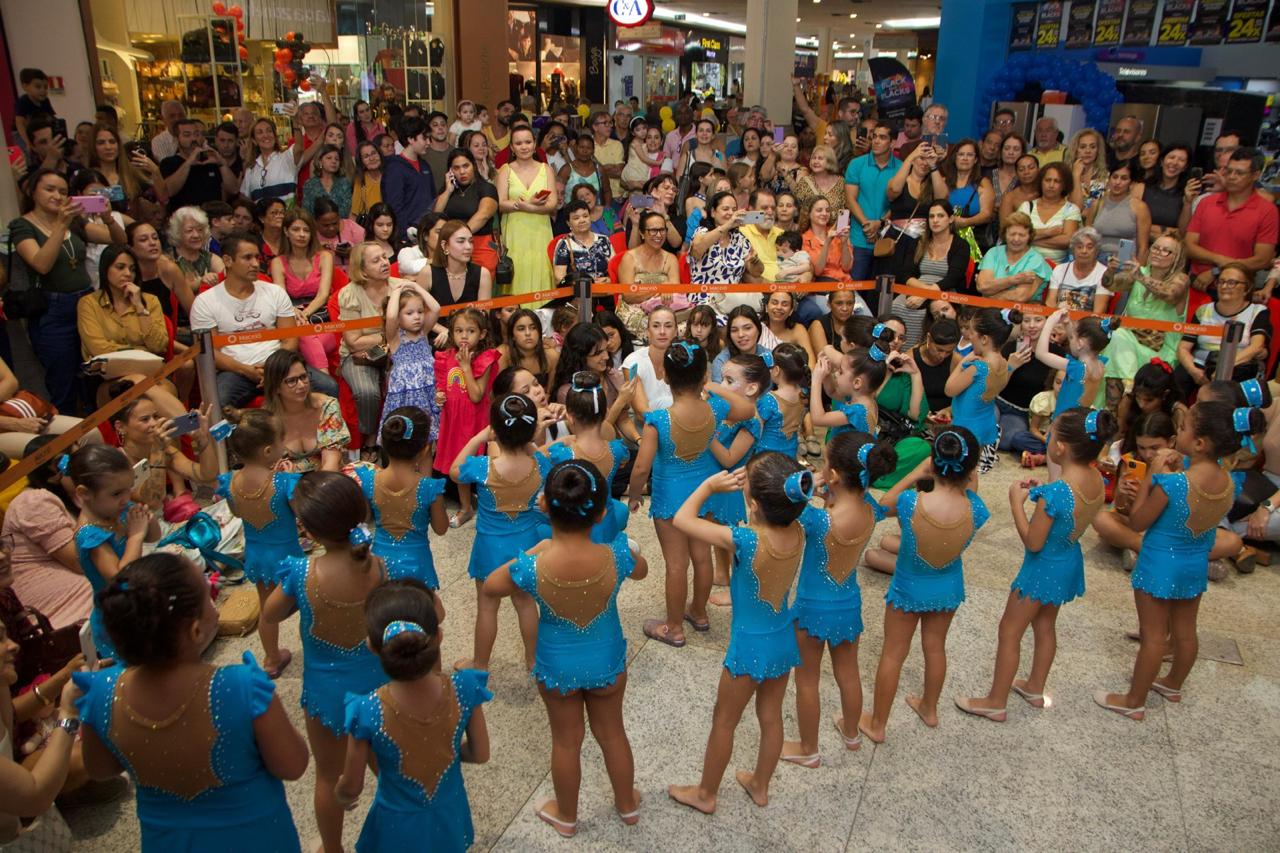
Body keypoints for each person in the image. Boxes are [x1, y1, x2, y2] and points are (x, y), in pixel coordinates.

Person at [484, 461, 644, 837]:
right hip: (607, 661)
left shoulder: (533, 565)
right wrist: (627, 548)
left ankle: (567, 816)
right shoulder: (616, 555)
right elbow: (642, 571)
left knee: (566, 742)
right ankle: (627, 804)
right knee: (613, 734)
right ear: (601, 513)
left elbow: (491, 585)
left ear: (545, 506)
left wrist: (536, 551)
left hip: (557, 666)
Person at [667, 453, 813, 812]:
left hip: (748, 647)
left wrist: (708, 486)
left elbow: (682, 519)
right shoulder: (798, 530)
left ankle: (706, 794)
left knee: (724, 720)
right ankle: (760, 785)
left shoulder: (745, 540)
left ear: (755, 504)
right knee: (771, 716)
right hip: (783, 637)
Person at [1095, 400, 1260, 719]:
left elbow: (1138, 522)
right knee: (1185, 631)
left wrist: (1152, 476)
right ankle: (1173, 684)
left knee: (1153, 637)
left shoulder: (1173, 483)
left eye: (1183, 428)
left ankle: (1134, 701)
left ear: (1199, 443)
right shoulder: (1228, 482)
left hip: (1159, 564)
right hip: (1194, 563)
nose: (1178, 431)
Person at [957, 408, 1113, 722]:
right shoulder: (1096, 479)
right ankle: (1035, 686)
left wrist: (1016, 504)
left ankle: (995, 701)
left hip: (1042, 568)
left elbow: (1033, 541)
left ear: (1061, 448)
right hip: (1067, 560)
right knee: (1045, 626)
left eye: (1051, 433)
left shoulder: (1055, 493)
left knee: (1009, 630)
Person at [264, 472, 388, 853]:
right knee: (389, 771)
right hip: (379, 686)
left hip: (325, 694)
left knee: (328, 776)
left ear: (308, 529)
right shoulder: (378, 565)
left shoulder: (303, 574)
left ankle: (332, 847)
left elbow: (270, 613)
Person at [336, 579, 490, 851]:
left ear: (372, 646)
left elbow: (352, 785)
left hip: (395, 825)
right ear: (438, 636)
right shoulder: (466, 688)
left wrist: (342, 794)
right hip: (449, 813)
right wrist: (444, 752)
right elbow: (480, 753)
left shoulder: (366, 710)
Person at [859, 429, 988, 743]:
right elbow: (970, 487)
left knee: (893, 653)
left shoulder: (910, 503)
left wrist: (917, 472)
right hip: (947, 587)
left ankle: (878, 724)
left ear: (933, 462)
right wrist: (967, 473)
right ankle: (930, 708)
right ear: (971, 469)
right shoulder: (977, 509)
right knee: (935, 647)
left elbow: (882, 504)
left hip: (909, 588)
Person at [629, 342, 752, 648]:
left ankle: (673, 627)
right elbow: (748, 409)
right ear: (703, 376)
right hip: (704, 491)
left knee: (676, 564)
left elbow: (642, 467)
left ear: (665, 376)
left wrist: (634, 495)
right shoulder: (715, 408)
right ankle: (698, 612)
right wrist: (712, 386)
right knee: (701, 556)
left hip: (670, 497)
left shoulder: (658, 421)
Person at [782, 433, 895, 766]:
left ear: (832, 474)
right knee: (848, 673)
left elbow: (783, 498)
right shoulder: (871, 509)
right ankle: (851, 734)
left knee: (807, 680)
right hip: (848, 605)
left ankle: (808, 749)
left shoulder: (818, 520)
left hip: (811, 608)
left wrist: (808, 484)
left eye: (825, 463)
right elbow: (854, 502)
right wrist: (828, 491)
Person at [10, 169, 124, 414]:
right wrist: (60, 225)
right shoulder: (22, 225)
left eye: (63, 192)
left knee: (95, 374)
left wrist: (108, 218)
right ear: (32, 192)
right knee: (63, 380)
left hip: (87, 302)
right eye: (49, 189)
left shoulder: (75, 221)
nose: (57, 196)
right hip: (53, 311)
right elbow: (41, 264)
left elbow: (119, 240)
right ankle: (69, 431)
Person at [449, 394, 548, 671]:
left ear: (495, 430)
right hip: (527, 544)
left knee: (487, 605)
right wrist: (530, 441)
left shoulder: (483, 467)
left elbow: (455, 471)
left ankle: (480, 664)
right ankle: (533, 659)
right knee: (525, 603)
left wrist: (478, 438)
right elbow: (542, 455)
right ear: (530, 430)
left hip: (489, 548)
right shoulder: (540, 465)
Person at [189, 234, 333, 407]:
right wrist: (246, 370)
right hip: (235, 370)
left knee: (329, 387)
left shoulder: (274, 292)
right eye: (247, 258)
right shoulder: (205, 301)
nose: (256, 264)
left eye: (257, 257)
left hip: (279, 366)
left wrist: (271, 368)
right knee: (216, 403)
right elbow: (210, 353)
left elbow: (290, 340)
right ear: (227, 260)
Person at [216, 408, 301, 679]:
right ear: (267, 451)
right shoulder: (284, 483)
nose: (284, 445)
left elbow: (236, 512)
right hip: (288, 556)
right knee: (306, 602)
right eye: (281, 440)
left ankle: (272, 659)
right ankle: (316, 647)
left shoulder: (230, 483)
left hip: (257, 554)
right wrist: (291, 479)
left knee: (267, 610)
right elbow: (300, 513)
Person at [66, 445, 160, 664]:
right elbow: (119, 578)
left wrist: (148, 519)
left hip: (137, 600)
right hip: (118, 616)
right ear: (84, 493)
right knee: (138, 668)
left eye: (129, 488)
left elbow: (154, 536)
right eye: (117, 493)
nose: (126, 498)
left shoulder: (116, 509)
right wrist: (135, 536)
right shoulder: (90, 536)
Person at [1, 436, 94, 628]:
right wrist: (91, 503)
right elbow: (81, 562)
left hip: (79, 589)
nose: (88, 464)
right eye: (78, 459)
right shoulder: (34, 501)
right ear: (57, 469)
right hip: (57, 606)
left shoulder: (74, 495)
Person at [1101, 234, 1191, 404]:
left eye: (1166, 251)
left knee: (1118, 340)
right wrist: (1111, 270)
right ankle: (1126, 392)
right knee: (1118, 337)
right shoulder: (1139, 271)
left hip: (1161, 349)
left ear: (1176, 257)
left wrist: (1140, 277)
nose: (1158, 252)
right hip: (1129, 340)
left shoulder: (1181, 279)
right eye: (1156, 248)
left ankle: (1127, 392)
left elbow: (1170, 295)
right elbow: (1109, 284)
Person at [434, 308, 501, 525]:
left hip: (474, 421)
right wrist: (439, 396)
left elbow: (476, 395)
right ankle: (466, 507)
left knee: (477, 463)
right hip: (453, 420)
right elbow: (442, 386)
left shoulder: (485, 358)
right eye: (459, 330)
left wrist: (465, 367)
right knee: (459, 463)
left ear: (482, 334)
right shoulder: (446, 356)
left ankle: (490, 503)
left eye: (470, 331)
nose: (464, 336)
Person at [1034, 309, 1114, 480]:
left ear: (1081, 343)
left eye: (1073, 337)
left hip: (1064, 426)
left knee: (1055, 477)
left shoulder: (1077, 368)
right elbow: (1077, 345)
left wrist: (1050, 322)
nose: (1070, 339)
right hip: (1079, 425)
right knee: (1070, 474)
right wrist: (1067, 324)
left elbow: (1041, 354)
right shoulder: (1100, 365)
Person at [1184, 148, 1278, 293]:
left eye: (1239, 173)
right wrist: (1220, 260)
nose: (1232, 177)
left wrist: (1216, 271)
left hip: (1237, 291)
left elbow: (1262, 260)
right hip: (1197, 284)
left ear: (1255, 175)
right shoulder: (1207, 202)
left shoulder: (1267, 211)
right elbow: (1189, 247)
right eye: (1229, 171)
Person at [1175, 262, 1270, 396]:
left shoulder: (1257, 311)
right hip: (1201, 364)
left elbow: (1257, 347)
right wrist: (1193, 370)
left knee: (1227, 386)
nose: (1224, 286)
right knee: (1177, 379)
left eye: (1232, 283)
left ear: (1247, 288)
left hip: (1237, 366)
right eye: (1221, 282)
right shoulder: (1203, 310)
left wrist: (1223, 368)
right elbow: (1183, 348)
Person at [947, 309, 1018, 473]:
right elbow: (1000, 385)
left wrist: (962, 362)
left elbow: (949, 389)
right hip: (985, 422)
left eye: (972, 332)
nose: (969, 336)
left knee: (958, 471)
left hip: (966, 426)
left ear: (984, 339)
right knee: (970, 469)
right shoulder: (1003, 362)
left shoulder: (979, 367)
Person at [892, 201, 971, 348]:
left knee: (925, 312)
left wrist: (925, 295)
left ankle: (919, 350)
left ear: (950, 219)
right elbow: (906, 275)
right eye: (931, 216)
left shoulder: (961, 245)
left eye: (940, 216)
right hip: (918, 286)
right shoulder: (919, 242)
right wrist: (924, 291)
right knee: (897, 305)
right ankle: (899, 349)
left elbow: (954, 278)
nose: (935, 220)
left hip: (945, 289)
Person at [270, 209, 335, 374]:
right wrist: (294, 313)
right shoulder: (278, 262)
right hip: (292, 313)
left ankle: (323, 382)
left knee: (304, 334)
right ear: (286, 231)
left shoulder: (325, 257)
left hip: (322, 315)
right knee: (304, 334)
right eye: (296, 229)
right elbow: (281, 298)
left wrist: (304, 315)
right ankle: (325, 380)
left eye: (306, 230)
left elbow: (323, 295)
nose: (302, 235)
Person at [497, 126, 557, 296]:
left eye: (528, 142)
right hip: (514, 232)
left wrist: (526, 206)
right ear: (512, 147)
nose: (524, 147)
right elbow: (500, 204)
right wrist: (523, 205)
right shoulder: (505, 170)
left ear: (535, 144)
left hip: (541, 231)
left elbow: (552, 205)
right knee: (517, 274)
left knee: (541, 273)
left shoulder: (546, 169)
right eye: (518, 143)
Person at [380, 280, 443, 440]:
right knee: (407, 438)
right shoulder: (395, 338)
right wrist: (396, 291)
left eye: (420, 312)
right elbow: (391, 316)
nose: (417, 317)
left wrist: (415, 286)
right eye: (409, 313)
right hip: (406, 398)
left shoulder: (423, 333)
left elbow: (436, 308)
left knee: (428, 437)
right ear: (399, 317)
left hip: (428, 394)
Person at [844, 122, 902, 297]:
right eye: (874, 136)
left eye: (882, 137)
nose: (876, 141)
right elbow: (850, 199)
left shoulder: (901, 168)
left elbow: (900, 203)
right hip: (859, 237)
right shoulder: (857, 164)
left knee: (882, 294)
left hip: (887, 238)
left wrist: (880, 223)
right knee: (854, 291)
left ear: (893, 143)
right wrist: (867, 224)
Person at [616, 211, 684, 338]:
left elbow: (676, 290)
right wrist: (659, 289)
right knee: (653, 327)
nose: (658, 235)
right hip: (635, 310)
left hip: (665, 309)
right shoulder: (630, 258)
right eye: (653, 230)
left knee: (684, 327)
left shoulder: (670, 258)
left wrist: (664, 290)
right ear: (642, 233)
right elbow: (628, 295)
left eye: (662, 230)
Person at [434, 148, 500, 275]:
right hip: (453, 249)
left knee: (480, 284)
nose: (462, 172)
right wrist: (448, 191)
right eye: (456, 168)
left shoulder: (486, 188)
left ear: (473, 166)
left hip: (480, 246)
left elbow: (483, 215)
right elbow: (436, 216)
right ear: (450, 171)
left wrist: (458, 237)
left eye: (466, 166)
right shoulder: (447, 191)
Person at [160, 119, 237, 210]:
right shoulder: (168, 163)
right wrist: (188, 163)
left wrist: (222, 164)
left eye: (196, 134)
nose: (193, 139)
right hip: (185, 217)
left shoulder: (211, 161)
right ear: (176, 139)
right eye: (187, 135)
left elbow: (234, 189)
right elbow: (169, 191)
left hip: (213, 216)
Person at [89, 123, 167, 212]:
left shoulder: (132, 174)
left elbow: (163, 199)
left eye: (112, 142)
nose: (108, 147)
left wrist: (156, 171)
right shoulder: (87, 176)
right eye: (101, 143)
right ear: (93, 146)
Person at [381, 115, 436, 241]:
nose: (428, 142)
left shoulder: (425, 165)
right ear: (411, 139)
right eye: (424, 138)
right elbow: (394, 206)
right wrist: (404, 235)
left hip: (426, 232)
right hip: (406, 236)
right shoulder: (395, 168)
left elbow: (433, 199)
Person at [976, 212, 1052, 302]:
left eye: (1022, 235)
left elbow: (1019, 297)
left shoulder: (1036, 260)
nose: (1016, 239)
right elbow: (983, 286)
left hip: (1023, 309)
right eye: (1012, 234)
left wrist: (989, 294)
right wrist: (1014, 280)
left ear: (1029, 236)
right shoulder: (993, 253)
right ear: (1005, 235)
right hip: (988, 308)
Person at [1085, 161, 1150, 264]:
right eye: (1115, 177)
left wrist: (1139, 270)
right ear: (1109, 178)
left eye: (1124, 178)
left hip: (1124, 262)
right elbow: (1086, 237)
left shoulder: (1139, 207)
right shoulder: (1097, 204)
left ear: (1131, 183)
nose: (1118, 182)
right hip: (1096, 260)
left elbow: (1143, 247)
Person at [1018, 162, 1081, 264]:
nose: (1051, 185)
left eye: (1057, 181)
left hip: (1057, 266)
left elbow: (1067, 241)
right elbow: (1017, 234)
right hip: (1025, 263)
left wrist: (1030, 239)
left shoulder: (1071, 209)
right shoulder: (1027, 207)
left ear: (1064, 185)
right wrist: (1047, 232)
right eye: (1048, 180)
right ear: (1041, 182)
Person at [1046, 228, 1110, 312]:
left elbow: (1099, 311)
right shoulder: (1060, 269)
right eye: (1079, 247)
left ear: (1097, 251)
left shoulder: (1104, 273)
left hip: (1088, 319)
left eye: (1089, 247)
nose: (1084, 251)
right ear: (1073, 250)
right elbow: (1050, 303)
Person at [1139, 144, 1194, 238]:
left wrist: (1188, 202)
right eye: (1171, 157)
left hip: (1168, 246)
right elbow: (1132, 223)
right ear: (1161, 161)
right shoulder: (1143, 186)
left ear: (1185, 167)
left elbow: (1183, 233)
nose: (1175, 162)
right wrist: (1165, 230)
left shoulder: (1187, 194)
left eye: (1181, 160)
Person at [553, 199, 615, 283]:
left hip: (604, 288)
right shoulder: (564, 244)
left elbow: (615, 270)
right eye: (576, 218)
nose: (582, 220)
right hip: (577, 290)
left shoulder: (603, 240)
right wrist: (585, 284)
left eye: (585, 216)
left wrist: (609, 280)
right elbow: (559, 279)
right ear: (568, 223)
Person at [240, 118, 297, 205]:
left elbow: (299, 147)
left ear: (275, 136)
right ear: (254, 141)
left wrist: (296, 125)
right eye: (260, 132)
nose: (265, 135)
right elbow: (244, 196)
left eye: (269, 131)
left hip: (287, 213)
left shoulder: (287, 157)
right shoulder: (251, 169)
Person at [301, 144, 353, 218]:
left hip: (341, 223)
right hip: (316, 224)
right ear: (320, 162)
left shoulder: (345, 183)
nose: (334, 161)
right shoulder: (310, 184)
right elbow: (306, 212)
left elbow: (347, 210)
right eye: (329, 158)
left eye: (337, 159)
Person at [1066, 128, 1109, 213]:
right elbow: (1075, 209)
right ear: (1075, 150)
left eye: (1092, 147)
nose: (1088, 151)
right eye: (1083, 147)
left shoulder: (1104, 176)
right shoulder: (1066, 175)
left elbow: (1098, 209)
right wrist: (1076, 176)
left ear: (1098, 150)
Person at [350, 140, 384, 224]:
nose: (372, 158)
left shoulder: (392, 173)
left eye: (374, 153)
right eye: (366, 156)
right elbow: (354, 213)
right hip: (372, 224)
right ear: (361, 162)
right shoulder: (361, 180)